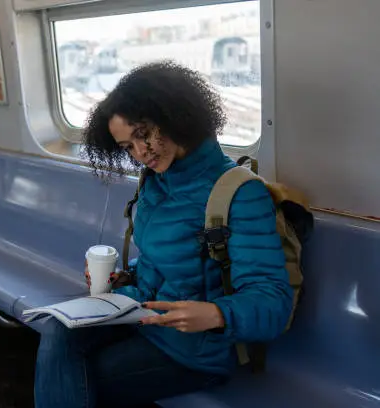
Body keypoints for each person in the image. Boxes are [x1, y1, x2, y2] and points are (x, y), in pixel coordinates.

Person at [33, 61, 294, 408]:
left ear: (175, 115)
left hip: (197, 349)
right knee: (57, 329)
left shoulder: (240, 194)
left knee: (78, 377)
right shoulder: (155, 182)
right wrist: (126, 275)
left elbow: (274, 300)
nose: (141, 153)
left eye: (143, 134)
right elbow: (168, 260)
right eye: (127, 147)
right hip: (144, 315)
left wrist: (216, 314)